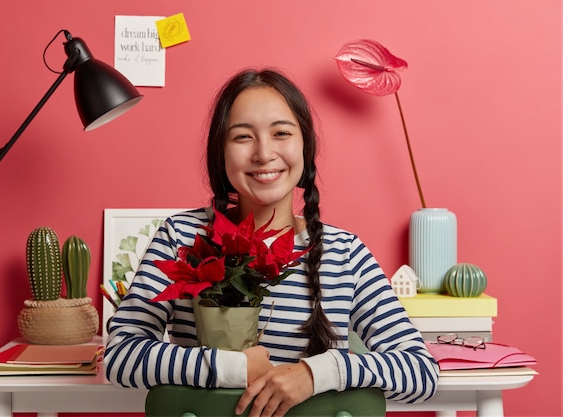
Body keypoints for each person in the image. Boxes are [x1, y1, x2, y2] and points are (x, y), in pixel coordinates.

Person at [104, 68, 439, 417]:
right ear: (220, 152)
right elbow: (120, 355)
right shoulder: (181, 237)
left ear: (305, 146)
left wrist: (318, 373)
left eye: (281, 133)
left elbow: (420, 369)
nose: (264, 154)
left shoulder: (346, 254)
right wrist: (233, 368)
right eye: (242, 137)